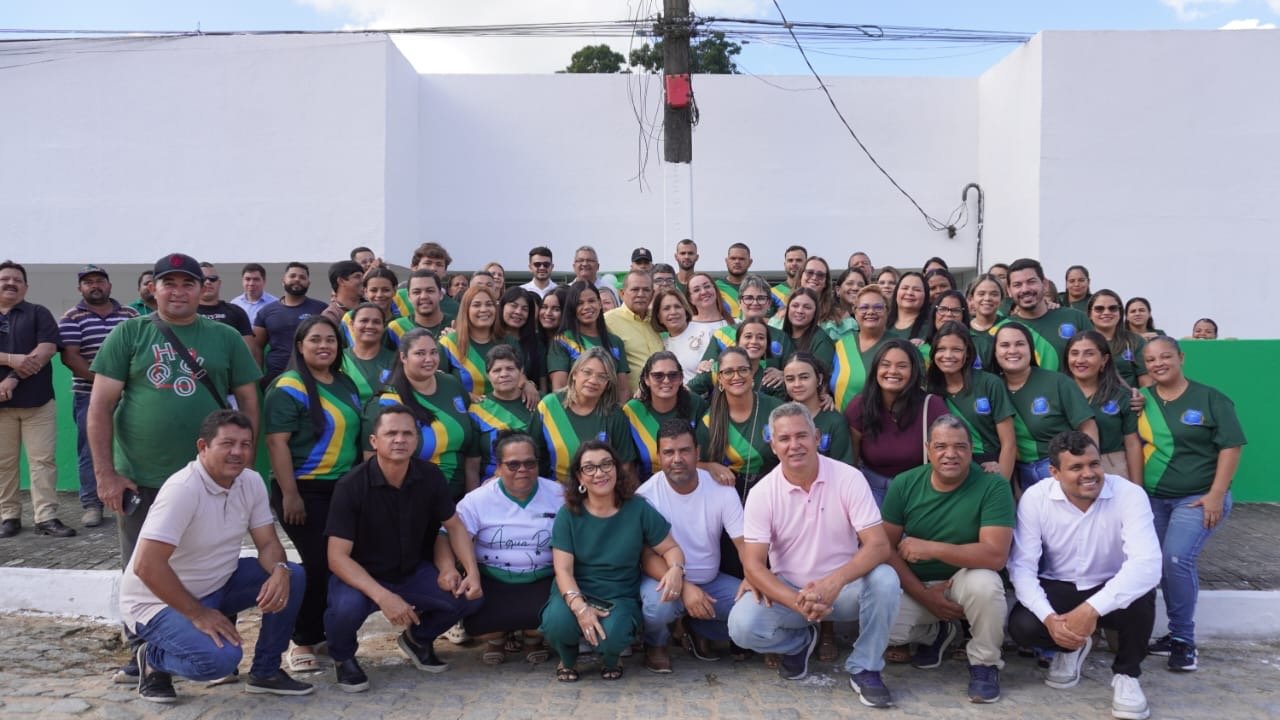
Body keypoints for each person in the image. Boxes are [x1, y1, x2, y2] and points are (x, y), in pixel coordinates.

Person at [89, 253, 262, 682]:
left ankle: (213, 643)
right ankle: (145, 657)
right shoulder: (128, 334)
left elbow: (250, 400)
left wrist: (246, 457)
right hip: (142, 478)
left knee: (215, 563)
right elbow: (99, 407)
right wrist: (105, 474)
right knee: (141, 569)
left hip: (213, 480)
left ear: (202, 289)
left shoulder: (223, 336)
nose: (179, 291)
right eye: (170, 283)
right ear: (154, 288)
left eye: (189, 283)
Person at [120, 410, 310, 702]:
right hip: (157, 602)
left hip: (217, 585)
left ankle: (266, 672)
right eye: (228, 443)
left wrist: (281, 569)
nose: (238, 452)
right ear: (202, 447)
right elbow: (146, 565)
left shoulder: (251, 481)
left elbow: (268, 543)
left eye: (246, 444)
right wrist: (198, 614)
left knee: (293, 575)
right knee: (218, 661)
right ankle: (153, 658)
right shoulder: (183, 489)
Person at [728, 402, 900, 708]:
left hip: (843, 590)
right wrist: (797, 601)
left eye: (801, 435)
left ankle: (866, 667)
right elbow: (753, 564)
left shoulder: (848, 477)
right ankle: (799, 644)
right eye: (784, 439)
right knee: (742, 626)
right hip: (791, 593)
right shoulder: (763, 493)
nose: (794, 445)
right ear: (773, 444)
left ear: (817, 436)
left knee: (886, 579)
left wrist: (831, 584)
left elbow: (878, 545)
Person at [323, 405, 484, 692]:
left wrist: (470, 572)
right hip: (363, 577)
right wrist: (384, 597)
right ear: (374, 441)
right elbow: (336, 557)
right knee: (344, 610)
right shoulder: (351, 485)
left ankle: (417, 639)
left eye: (407, 433)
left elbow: (455, 526)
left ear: (417, 440)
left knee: (468, 598)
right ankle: (343, 657)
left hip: (411, 571)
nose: (400, 440)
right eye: (391, 433)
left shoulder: (430, 476)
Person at [1008, 431, 1161, 720]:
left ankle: (1128, 676)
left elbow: (1148, 563)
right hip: (1061, 586)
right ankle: (1071, 645)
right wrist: (1051, 619)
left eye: (1094, 464)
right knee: (1023, 627)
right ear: (1054, 472)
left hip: (1112, 587)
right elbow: (1022, 567)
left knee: (1142, 592)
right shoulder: (1036, 498)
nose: (1089, 474)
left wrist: (1090, 610)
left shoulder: (1128, 494)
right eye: (1076, 467)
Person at [881, 415, 1014, 704]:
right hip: (917, 585)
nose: (950, 454)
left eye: (960, 447)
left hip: (964, 580)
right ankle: (937, 631)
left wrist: (932, 548)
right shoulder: (905, 484)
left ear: (970, 449)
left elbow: (995, 555)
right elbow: (885, 548)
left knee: (986, 583)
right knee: (884, 630)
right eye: (941, 446)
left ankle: (984, 664)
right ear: (928, 449)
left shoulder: (993, 486)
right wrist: (925, 595)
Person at [1138, 336, 1246, 672]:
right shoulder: (1140, 401)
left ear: (1181, 357)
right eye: (1152, 360)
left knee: (1177, 559)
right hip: (1153, 500)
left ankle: (1184, 639)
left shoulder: (1211, 398)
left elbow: (1231, 447)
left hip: (1197, 497)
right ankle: (1171, 634)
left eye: (1166, 356)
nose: (1159, 364)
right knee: (1157, 565)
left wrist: (1216, 493)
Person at [263, 315, 364, 673]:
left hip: (342, 489)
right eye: (316, 340)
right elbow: (277, 443)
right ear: (300, 346)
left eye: (331, 340)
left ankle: (320, 631)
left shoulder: (345, 383)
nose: (324, 346)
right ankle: (301, 639)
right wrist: (290, 494)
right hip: (304, 489)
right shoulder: (288, 386)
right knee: (320, 563)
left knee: (338, 564)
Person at [540, 440, 685, 682]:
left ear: (617, 469)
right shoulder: (568, 514)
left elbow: (671, 547)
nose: (600, 473)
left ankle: (611, 658)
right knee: (558, 623)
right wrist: (580, 607)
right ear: (580, 477)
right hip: (576, 592)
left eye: (606, 464)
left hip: (618, 595)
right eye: (590, 468)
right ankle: (567, 659)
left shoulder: (637, 508)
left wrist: (675, 569)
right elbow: (563, 570)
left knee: (614, 635)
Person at [442, 431, 563, 664]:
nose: (522, 470)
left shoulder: (558, 494)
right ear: (498, 467)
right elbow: (445, 536)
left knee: (551, 619)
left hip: (543, 578)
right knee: (480, 624)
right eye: (513, 464)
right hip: (491, 577)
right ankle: (496, 639)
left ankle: (533, 638)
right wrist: (450, 568)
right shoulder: (478, 499)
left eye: (530, 463)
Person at [637, 420, 745, 672]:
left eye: (684, 450)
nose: (677, 459)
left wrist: (753, 576)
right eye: (668, 452)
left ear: (697, 452)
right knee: (657, 607)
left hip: (711, 580)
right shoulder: (646, 496)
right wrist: (685, 588)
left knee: (754, 608)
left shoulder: (721, 488)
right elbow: (646, 556)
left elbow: (743, 543)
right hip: (665, 579)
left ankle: (697, 627)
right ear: (658, 456)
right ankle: (656, 644)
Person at [58, 264, 138, 528]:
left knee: (135, 445)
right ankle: (92, 504)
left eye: (100, 281)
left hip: (131, 395)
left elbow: (139, 351)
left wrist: (122, 384)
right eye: (88, 282)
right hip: (88, 395)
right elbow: (71, 357)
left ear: (109, 285)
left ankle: (135, 498)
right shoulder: (72, 317)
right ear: (80, 288)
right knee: (90, 449)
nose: (95, 285)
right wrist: (108, 383)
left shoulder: (130, 314)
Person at [364, 329, 481, 499]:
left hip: (458, 497)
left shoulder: (452, 384)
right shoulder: (386, 401)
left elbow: (471, 451)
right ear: (404, 357)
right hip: (408, 498)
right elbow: (371, 460)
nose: (429, 359)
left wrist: (472, 500)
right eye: (420, 353)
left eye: (433, 352)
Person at [0, 260, 70, 538]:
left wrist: (11, 378)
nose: (11, 283)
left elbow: (47, 348)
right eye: (5, 278)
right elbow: (25, 358)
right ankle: (9, 516)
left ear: (26, 286)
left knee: (42, 461)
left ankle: (47, 517)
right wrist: (10, 358)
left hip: (38, 402)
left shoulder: (38, 313)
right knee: (3, 463)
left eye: (17, 279)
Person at [991, 322, 1098, 495]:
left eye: (1020, 344)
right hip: (1017, 473)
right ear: (995, 352)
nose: (1012, 350)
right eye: (1004, 345)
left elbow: (1087, 427)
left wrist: (1086, 467)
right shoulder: (992, 387)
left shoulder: (1057, 382)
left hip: (1059, 469)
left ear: (1031, 349)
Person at [846, 339, 949, 506]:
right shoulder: (859, 406)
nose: (892, 371)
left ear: (914, 371)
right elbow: (851, 464)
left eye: (902, 366)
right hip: (871, 491)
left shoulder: (932, 405)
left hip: (918, 491)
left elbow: (950, 450)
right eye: (885, 365)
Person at [532, 347, 637, 486]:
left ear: (608, 383)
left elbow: (625, 466)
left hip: (601, 492)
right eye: (587, 372)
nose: (593, 380)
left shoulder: (615, 414)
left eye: (602, 376)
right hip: (556, 491)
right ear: (574, 374)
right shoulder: (549, 406)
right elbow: (530, 454)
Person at [925, 323, 1016, 480]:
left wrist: (1003, 482)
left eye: (956, 350)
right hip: (946, 468)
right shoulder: (927, 389)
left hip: (988, 467)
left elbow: (1009, 443)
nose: (948, 355)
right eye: (941, 349)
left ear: (967, 353)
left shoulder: (989, 383)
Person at [1066, 331, 1144, 482]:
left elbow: (1132, 444)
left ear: (1104, 359)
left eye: (1089, 354)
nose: (1080, 360)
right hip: (1067, 470)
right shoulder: (1058, 391)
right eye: (1074, 353)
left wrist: (1137, 487)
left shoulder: (1122, 395)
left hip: (1113, 468)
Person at [623, 352, 707, 478]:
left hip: (691, 481)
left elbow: (704, 454)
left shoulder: (696, 404)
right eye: (658, 376)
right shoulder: (632, 411)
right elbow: (628, 467)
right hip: (647, 486)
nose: (666, 380)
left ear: (681, 379)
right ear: (647, 379)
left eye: (673, 375)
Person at [999, 258, 1091, 372]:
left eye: (1031, 282)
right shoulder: (1005, 328)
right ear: (1009, 290)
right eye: (1017, 285)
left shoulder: (1076, 318)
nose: (1025, 289)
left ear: (1045, 284)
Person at [547, 281, 631, 403]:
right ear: (572, 308)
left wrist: (618, 414)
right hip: (574, 414)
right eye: (579, 303)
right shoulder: (562, 341)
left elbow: (622, 389)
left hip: (610, 415)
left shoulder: (615, 342)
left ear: (600, 303)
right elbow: (559, 388)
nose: (587, 307)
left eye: (591, 301)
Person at [253, 262, 328, 386]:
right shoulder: (266, 312)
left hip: (313, 376)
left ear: (308, 283)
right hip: (276, 378)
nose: (297, 279)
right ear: (283, 280)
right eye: (292, 276)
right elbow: (257, 347)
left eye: (302, 277)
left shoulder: (321, 309)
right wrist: (259, 377)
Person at [438, 285, 519, 399]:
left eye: (489, 304)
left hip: (503, 413)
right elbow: (438, 384)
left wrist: (528, 385)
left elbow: (520, 379)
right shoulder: (448, 343)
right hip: (463, 412)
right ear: (466, 310)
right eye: (476, 305)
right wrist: (465, 395)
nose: (484, 309)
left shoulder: (509, 341)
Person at [469, 345, 535, 479]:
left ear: (521, 371)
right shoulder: (477, 410)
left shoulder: (538, 403)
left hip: (533, 481)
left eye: (510, 368)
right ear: (488, 375)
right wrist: (473, 497)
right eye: (497, 370)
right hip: (491, 485)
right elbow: (472, 464)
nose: (504, 374)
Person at [782, 352, 853, 465]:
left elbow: (844, 468)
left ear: (819, 379)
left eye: (804, 377)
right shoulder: (780, 418)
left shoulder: (835, 422)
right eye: (790, 379)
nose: (797, 384)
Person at [829, 285, 892, 412]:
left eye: (878, 307)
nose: (870, 312)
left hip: (880, 425)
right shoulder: (841, 344)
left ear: (887, 311)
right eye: (864, 307)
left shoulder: (899, 345)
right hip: (842, 425)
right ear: (855, 311)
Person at [605, 271, 664, 394]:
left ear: (652, 294)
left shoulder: (658, 320)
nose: (641, 294)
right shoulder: (607, 321)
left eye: (646, 290)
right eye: (635, 289)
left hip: (663, 397)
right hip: (630, 403)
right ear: (622, 293)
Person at [196, 263, 258, 365]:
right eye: (202, 279)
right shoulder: (186, 313)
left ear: (219, 283)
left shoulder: (236, 312)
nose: (208, 282)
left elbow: (249, 353)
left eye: (212, 278)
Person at [651, 287, 715, 384]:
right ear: (659, 317)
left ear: (685, 310)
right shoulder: (662, 346)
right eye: (666, 308)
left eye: (677, 306)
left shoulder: (707, 331)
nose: (673, 312)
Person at [1087, 290, 1149, 388]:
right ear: (1090, 314)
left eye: (1113, 308)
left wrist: (1141, 397)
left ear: (1120, 313)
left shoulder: (1135, 341)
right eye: (1099, 309)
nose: (1106, 312)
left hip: (1128, 401)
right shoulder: (1080, 342)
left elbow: (1146, 382)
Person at [341, 302, 395, 404]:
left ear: (383, 326)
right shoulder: (338, 359)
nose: (370, 326)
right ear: (352, 325)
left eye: (376, 322)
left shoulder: (396, 361)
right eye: (364, 321)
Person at [388, 269, 455, 345]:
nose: (423, 296)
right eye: (416, 292)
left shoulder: (457, 326)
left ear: (440, 295)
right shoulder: (396, 328)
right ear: (409, 297)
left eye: (430, 291)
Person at [779, 288, 835, 375]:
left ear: (815, 313)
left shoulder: (822, 341)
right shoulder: (780, 336)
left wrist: (783, 375)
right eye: (795, 305)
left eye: (807, 307)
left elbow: (819, 376)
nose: (800, 311)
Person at [499, 287, 546, 389]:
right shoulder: (492, 337)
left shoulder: (536, 342)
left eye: (525, 309)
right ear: (502, 306)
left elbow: (543, 381)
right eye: (513, 306)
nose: (518, 312)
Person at [823, 267, 868, 339]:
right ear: (838, 290)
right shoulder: (826, 317)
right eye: (850, 283)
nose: (855, 288)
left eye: (861, 285)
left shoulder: (871, 318)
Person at [885, 271, 929, 342]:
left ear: (925, 296)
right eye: (905, 288)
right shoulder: (882, 323)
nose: (909, 293)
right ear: (896, 292)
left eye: (917, 290)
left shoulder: (930, 328)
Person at [715, 243, 753, 319]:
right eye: (733, 258)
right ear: (726, 261)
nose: (737, 262)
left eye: (741, 259)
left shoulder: (759, 286)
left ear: (750, 262)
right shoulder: (715, 287)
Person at [321, 260, 365, 325]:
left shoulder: (371, 306)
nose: (363, 281)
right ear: (341, 281)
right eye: (357, 276)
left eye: (363, 277)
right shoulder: (331, 315)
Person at [770, 245, 807, 312]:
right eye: (790, 260)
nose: (794, 264)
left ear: (807, 264)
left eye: (799, 260)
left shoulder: (813, 290)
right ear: (785, 264)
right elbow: (765, 319)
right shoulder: (773, 292)